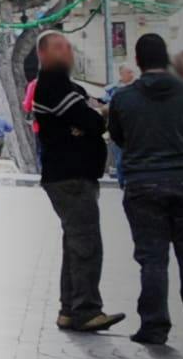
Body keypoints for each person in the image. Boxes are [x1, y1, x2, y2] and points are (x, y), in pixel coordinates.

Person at [107, 33, 183, 347]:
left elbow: (118, 135)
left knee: (152, 260)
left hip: (143, 183)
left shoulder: (123, 99)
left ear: (138, 61)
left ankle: (154, 327)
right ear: (165, 58)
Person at [24, 32, 117, 333]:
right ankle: (86, 310)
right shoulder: (54, 85)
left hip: (72, 174)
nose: (68, 51)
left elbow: (86, 123)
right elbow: (93, 122)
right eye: (59, 47)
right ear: (43, 54)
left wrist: (86, 124)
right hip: (70, 176)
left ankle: (69, 309)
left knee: (75, 243)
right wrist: (90, 121)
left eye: (67, 46)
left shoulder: (63, 86)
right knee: (86, 243)